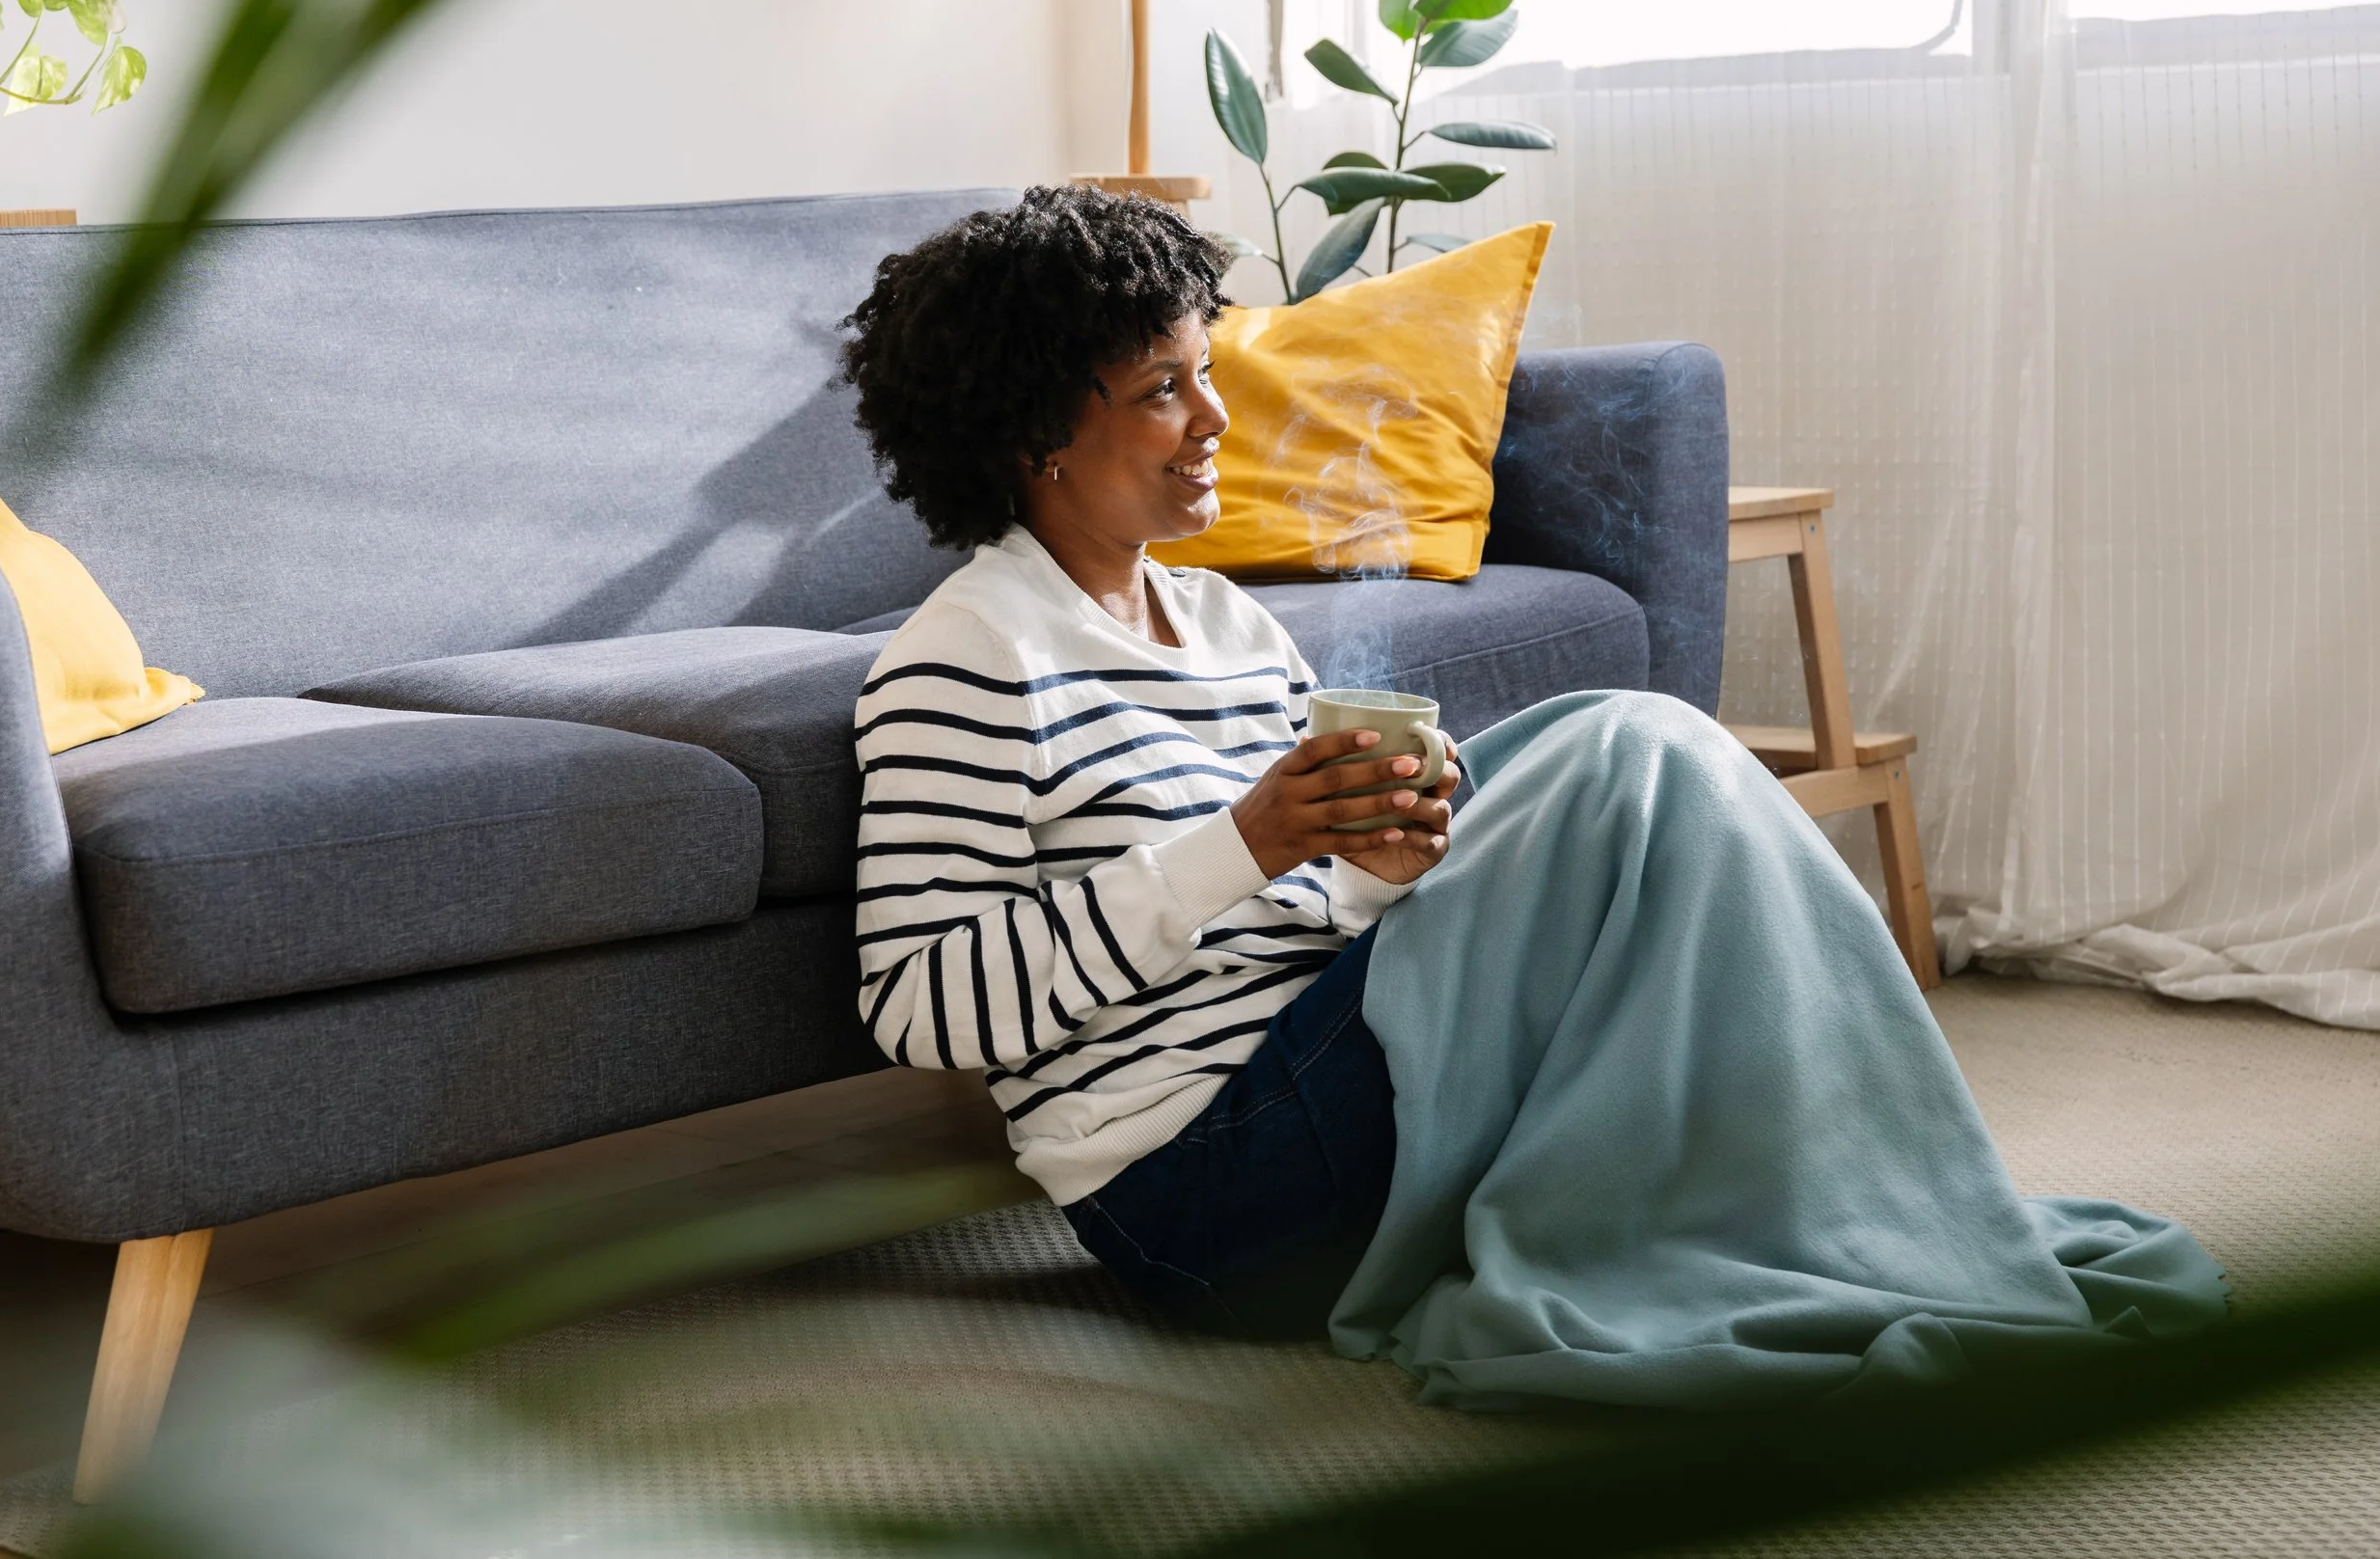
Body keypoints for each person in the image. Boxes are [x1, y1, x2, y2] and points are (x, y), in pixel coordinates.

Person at [837, 186, 2223, 1398]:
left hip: (1334, 1055)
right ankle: (1875, 1195)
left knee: (1636, 774)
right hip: (1204, 1186)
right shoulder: (967, 657)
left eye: (1206, 373)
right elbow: (920, 1007)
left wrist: (1388, 855)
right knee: (1624, 752)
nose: (1214, 417)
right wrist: (1244, 843)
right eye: (1161, 390)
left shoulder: (1220, 620)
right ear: (1035, 438)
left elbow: (1308, 906)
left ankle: (1887, 1192)